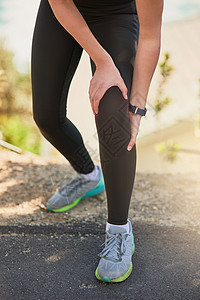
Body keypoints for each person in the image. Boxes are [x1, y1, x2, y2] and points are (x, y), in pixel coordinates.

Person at [31, 0, 164, 283]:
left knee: (117, 118)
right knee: (46, 118)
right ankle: (89, 176)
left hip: (116, 15)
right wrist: (103, 62)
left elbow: (150, 36)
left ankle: (119, 232)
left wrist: (137, 105)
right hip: (62, 9)